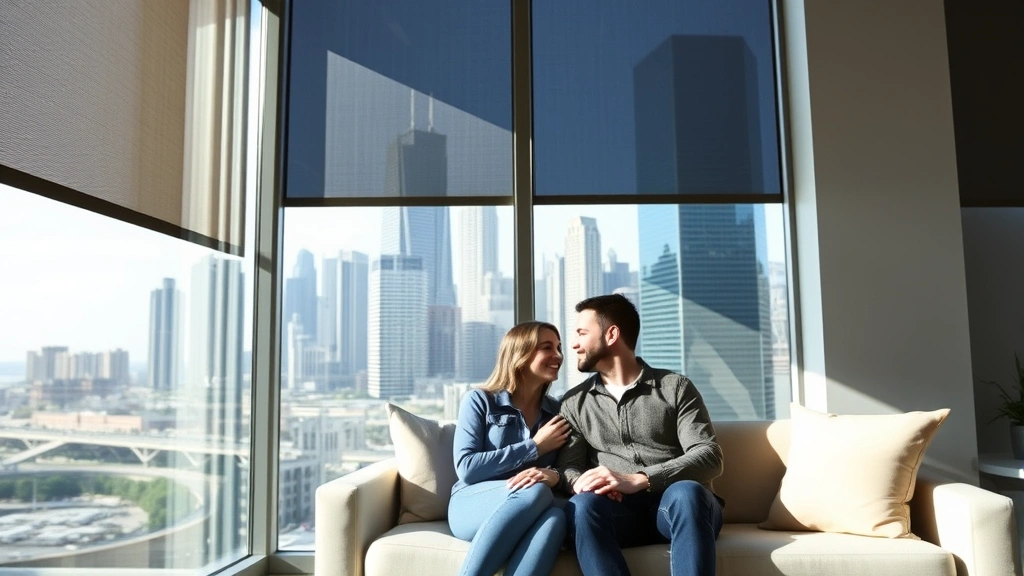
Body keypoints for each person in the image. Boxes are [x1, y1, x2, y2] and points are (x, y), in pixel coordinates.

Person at [556, 294, 725, 576]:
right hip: (620, 514)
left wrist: (641, 479)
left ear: (611, 334)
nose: (574, 344)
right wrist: (587, 483)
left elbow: (709, 456)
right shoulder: (574, 403)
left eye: (582, 333)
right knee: (581, 506)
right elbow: (567, 468)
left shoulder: (675, 387)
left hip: (680, 510)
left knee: (687, 492)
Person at [448, 321, 572, 576]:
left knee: (556, 520)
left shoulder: (557, 413)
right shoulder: (480, 400)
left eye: (558, 348)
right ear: (521, 355)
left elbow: (566, 469)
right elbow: (467, 469)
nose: (558, 355)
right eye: (547, 348)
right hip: (471, 505)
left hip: (534, 505)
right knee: (536, 492)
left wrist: (554, 476)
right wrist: (534, 447)